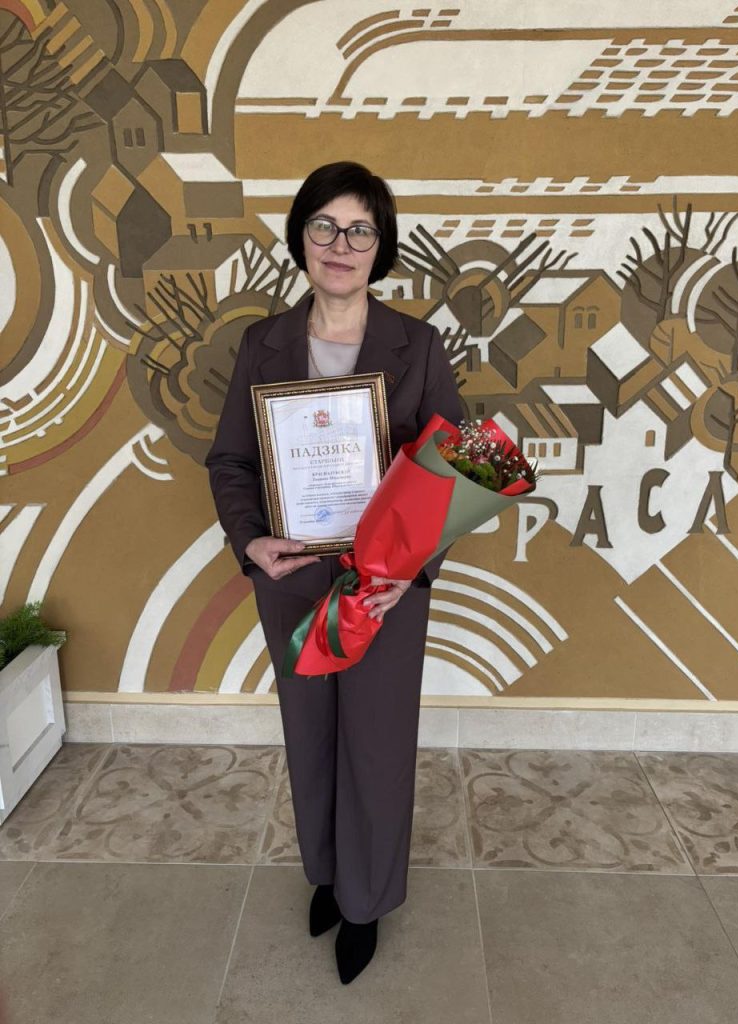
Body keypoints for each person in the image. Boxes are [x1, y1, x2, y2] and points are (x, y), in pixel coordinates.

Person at [204, 161, 463, 985]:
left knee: (376, 746)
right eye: (323, 225)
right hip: (291, 579)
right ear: (301, 238)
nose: (340, 244)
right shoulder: (263, 344)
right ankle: (327, 872)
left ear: (381, 247)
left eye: (359, 230)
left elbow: (455, 467)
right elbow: (231, 461)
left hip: (386, 586)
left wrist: (410, 568)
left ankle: (366, 900)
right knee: (310, 735)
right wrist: (252, 544)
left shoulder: (418, 345)